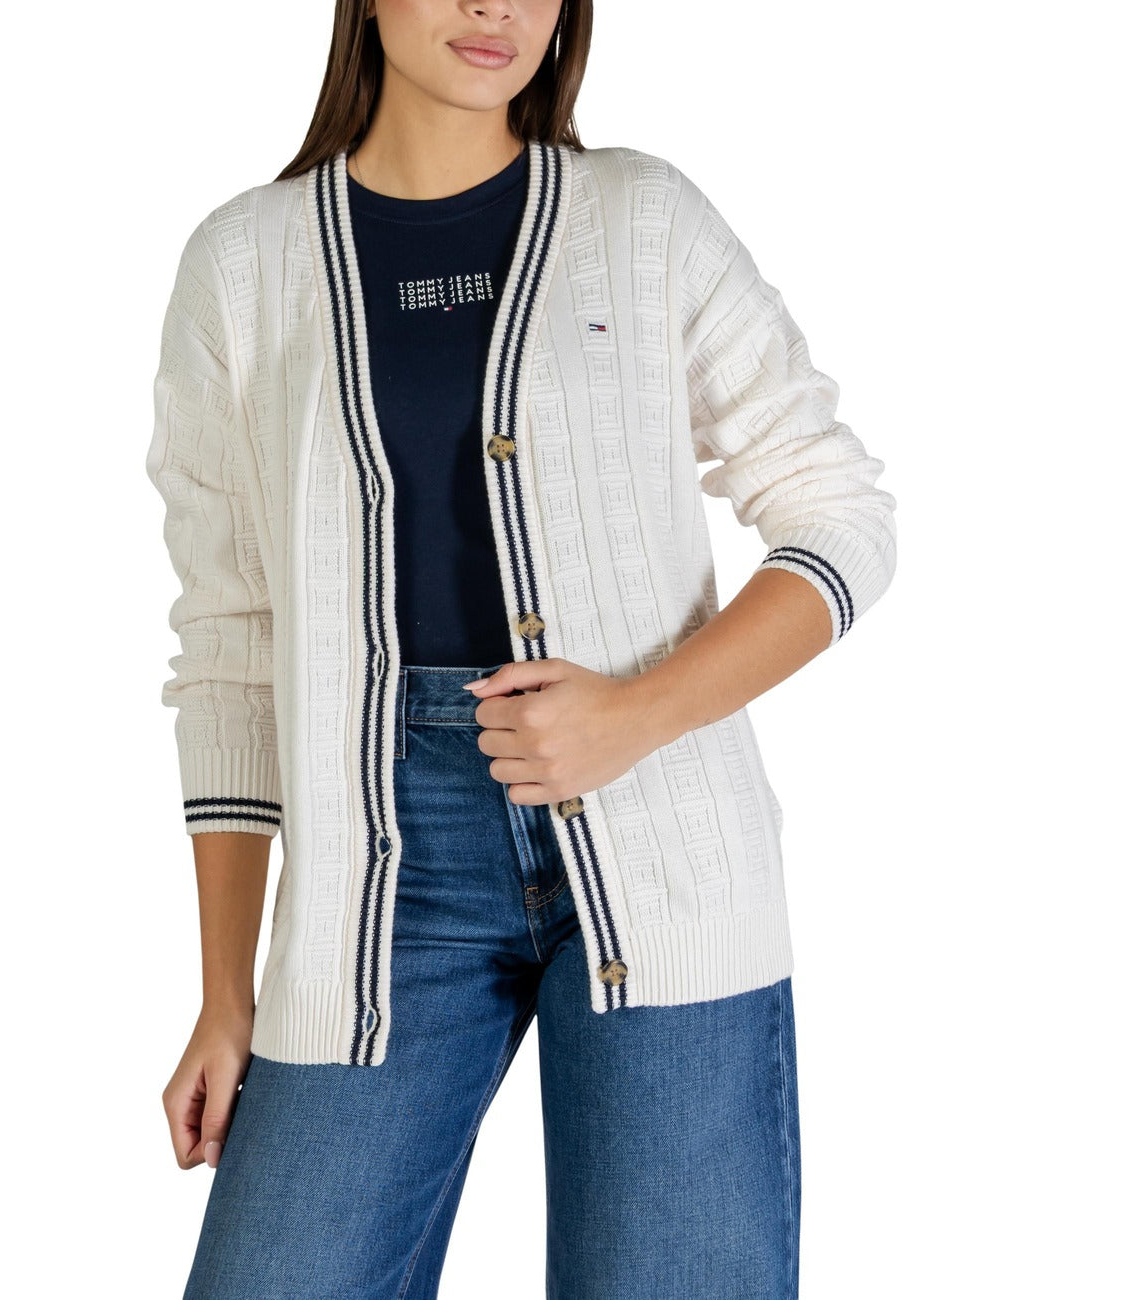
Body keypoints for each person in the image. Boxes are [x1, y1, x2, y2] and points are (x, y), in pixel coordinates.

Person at [145, 1, 897, 1295]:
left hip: (661, 857)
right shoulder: (245, 264)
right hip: (378, 877)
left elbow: (843, 518)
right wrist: (226, 994)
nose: (495, 6)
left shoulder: (641, 221)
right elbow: (231, 637)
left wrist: (638, 714)